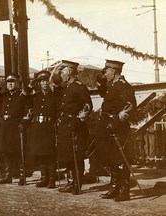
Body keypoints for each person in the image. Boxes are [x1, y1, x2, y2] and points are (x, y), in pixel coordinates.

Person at [95, 59, 136, 201]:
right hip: (107, 125)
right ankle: (114, 188)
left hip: (118, 127)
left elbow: (130, 107)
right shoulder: (112, 85)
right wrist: (100, 82)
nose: (105, 73)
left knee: (121, 159)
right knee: (111, 158)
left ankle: (124, 191)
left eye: (107, 71)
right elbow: (103, 94)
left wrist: (116, 122)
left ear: (114, 71)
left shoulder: (123, 86)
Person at [51, 60, 93, 195]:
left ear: (69, 72)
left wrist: (77, 120)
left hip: (75, 126)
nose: (62, 75)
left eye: (63, 72)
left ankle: (77, 184)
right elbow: (54, 82)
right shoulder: (66, 87)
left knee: (77, 156)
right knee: (67, 155)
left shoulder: (79, 87)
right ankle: (70, 181)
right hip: (65, 125)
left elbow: (87, 106)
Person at [25, 70, 57, 189]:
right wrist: (29, 87)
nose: (44, 83)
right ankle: (44, 178)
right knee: (40, 154)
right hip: (37, 127)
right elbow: (23, 100)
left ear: (49, 82)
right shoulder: (35, 96)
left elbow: (58, 111)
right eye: (42, 81)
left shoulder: (54, 96)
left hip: (48, 127)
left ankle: (52, 179)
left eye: (46, 81)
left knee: (49, 154)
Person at [0, 74, 29, 185]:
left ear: (18, 83)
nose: (10, 83)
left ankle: (22, 176)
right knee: (5, 151)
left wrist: (23, 123)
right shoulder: (4, 95)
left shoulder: (22, 96)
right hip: (5, 126)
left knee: (18, 152)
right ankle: (8, 175)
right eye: (8, 82)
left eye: (13, 81)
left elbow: (28, 111)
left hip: (16, 126)